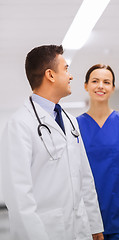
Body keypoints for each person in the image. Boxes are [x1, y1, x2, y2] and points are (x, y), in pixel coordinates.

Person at [0, 45, 104, 240]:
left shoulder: (71, 121)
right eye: (66, 69)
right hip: (46, 231)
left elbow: (85, 178)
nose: (71, 76)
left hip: (80, 229)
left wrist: (94, 225)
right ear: (50, 75)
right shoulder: (20, 124)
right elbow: (18, 196)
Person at [77, 64, 119, 240]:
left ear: (113, 88)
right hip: (87, 218)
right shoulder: (75, 126)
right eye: (95, 81)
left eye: (106, 82)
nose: (101, 85)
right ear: (86, 86)